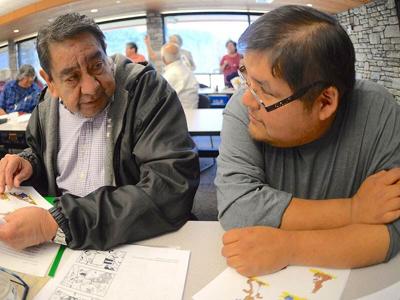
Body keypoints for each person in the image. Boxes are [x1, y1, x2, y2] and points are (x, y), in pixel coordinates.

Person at [216, 5, 400, 277]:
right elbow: (237, 207)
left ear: (325, 102)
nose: (246, 99)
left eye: (263, 90)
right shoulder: (243, 111)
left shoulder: (378, 111)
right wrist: (353, 211)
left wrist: (290, 247)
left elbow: (390, 230)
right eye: (245, 77)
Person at [0, 13, 199, 250]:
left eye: (97, 65)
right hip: (59, 244)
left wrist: (59, 223)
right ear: (50, 82)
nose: (91, 87)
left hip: (138, 240)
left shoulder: (146, 92)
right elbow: (43, 154)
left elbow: (170, 186)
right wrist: (29, 164)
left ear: (107, 55)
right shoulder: (45, 108)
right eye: (72, 78)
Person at [161, 42, 199, 110]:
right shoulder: (188, 70)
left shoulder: (170, 75)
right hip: (192, 114)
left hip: (177, 116)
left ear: (163, 59)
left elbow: (159, 99)